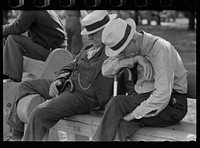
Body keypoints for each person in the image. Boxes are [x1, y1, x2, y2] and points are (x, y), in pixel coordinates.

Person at [6, 10, 118, 141]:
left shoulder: (113, 50)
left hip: (83, 96)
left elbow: (131, 51)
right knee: (25, 85)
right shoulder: (88, 48)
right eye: (89, 34)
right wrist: (59, 80)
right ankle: (16, 135)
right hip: (66, 84)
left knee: (39, 113)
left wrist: (137, 60)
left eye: (93, 33)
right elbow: (69, 66)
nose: (90, 37)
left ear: (105, 30)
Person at [93, 18, 188, 141]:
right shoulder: (129, 46)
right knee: (120, 124)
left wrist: (133, 115)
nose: (120, 56)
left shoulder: (160, 49)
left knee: (118, 103)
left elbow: (162, 95)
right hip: (145, 99)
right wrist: (134, 59)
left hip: (172, 105)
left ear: (133, 41)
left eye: (122, 53)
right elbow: (106, 69)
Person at [3, 10, 68, 82]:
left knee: (13, 39)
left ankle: (13, 79)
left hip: (54, 52)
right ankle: (12, 75)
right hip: (57, 49)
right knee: (13, 38)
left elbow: (18, 27)